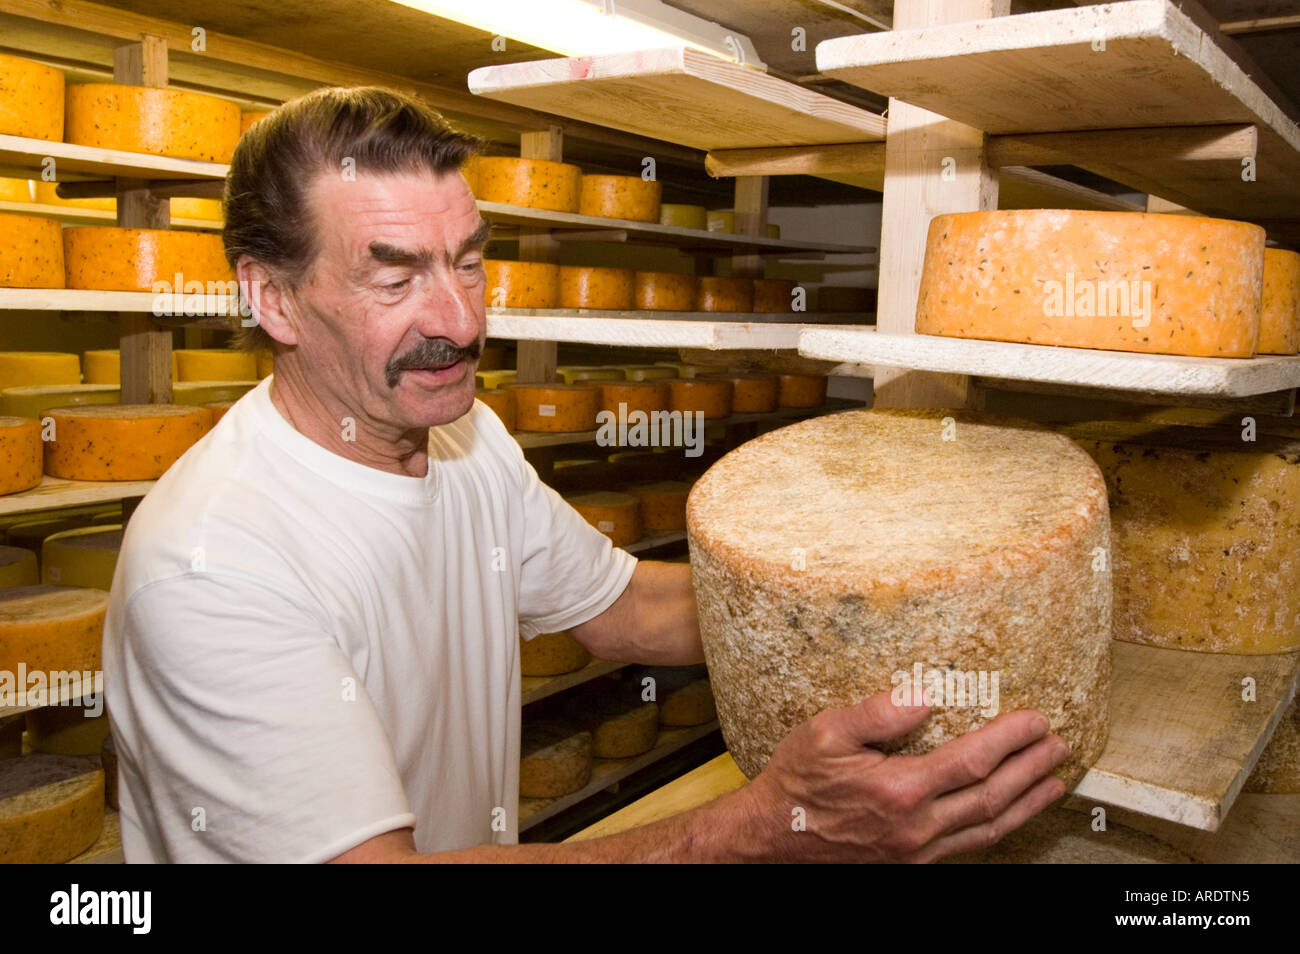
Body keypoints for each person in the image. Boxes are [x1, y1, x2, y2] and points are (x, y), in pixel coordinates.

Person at [103, 86, 1069, 863]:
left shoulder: (463, 439)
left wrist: (900, 607)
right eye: (395, 280)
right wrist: (757, 829)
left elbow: (627, 612)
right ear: (270, 297)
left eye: (471, 264)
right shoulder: (215, 564)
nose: (462, 322)